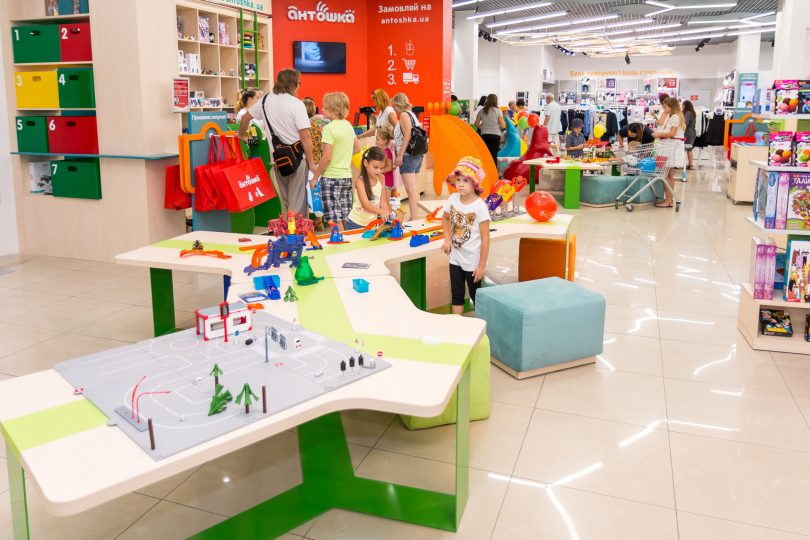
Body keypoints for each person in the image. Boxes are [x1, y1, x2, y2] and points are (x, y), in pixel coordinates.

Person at [240, 69, 315, 217]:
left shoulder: (265, 100)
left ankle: (287, 227)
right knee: (297, 202)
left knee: (286, 201)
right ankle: (297, 229)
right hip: (298, 158)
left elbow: (245, 118)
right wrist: (312, 163)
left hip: (277, 159)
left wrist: (241, 136)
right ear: (293, 83)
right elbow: (305, 136)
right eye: (299, 83)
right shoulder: (296, 104)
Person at [441, 156, 490, 315]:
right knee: (456, 295)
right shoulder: (453, 199)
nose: (460, 184)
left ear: (475, 183)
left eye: (466, 180)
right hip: (455, 257)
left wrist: (481, 265)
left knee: (477, 297)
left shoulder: (480, 206)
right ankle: (457, 326)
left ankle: (482, 325)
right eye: (458, 179)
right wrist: (447, 240)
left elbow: (485, 238)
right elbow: (445, 219)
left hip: (473, 261)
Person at [310, 92, 362, 230]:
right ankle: (346, 240)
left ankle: (339, 241)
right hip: (346, 177)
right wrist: (343, 155)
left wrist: (315, 177)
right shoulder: (348, 125)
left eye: (325, 107)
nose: (322, 109)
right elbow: (358, 148)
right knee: (344, 216)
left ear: (334, 109)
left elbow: (326, 157)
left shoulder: (329, 128)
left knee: (334, 219)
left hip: (331, 178)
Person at [392, 92, 423, 221]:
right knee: (414, 190)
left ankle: (414, 219)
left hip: (408, 156)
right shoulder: (412, 115)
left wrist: (400, 155)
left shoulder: (404, 115)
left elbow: (407, 136)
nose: (394, 109)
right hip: (416, 155)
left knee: (411, 191)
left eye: (394, 106)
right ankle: (415, 217)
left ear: (398, 104)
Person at [345, 146, 391, 231]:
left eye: (381, 168)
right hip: (355, 224)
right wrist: (382, 212)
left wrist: (388, 216)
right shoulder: (360, 181)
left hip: (372, 224)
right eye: (375, 167)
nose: (379, 171)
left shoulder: (381, 178)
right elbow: (366, 205)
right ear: (366, 163)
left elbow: (383, 202)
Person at [652, 97, 686, 208]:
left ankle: (669, 199)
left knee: (665, 173)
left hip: (670, 147)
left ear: (671, 107)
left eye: (665, 106)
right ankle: (669, 199)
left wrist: (659, 134)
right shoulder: (674, 116)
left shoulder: (675, 117)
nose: (663, 108)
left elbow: (672, 133)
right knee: (669, 174)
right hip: (670, 146)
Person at [474, 94, 505, 164]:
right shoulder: (498, 111)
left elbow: (476, 124)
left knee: (485, 155)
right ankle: (493, 170)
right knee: (493, 155)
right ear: (495, 101)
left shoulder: (482, 111)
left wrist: (483, 127)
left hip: (484, 135)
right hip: (495, 136)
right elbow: (503, 126)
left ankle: (486, 170)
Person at [375, 124, 396, 195]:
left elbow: (390, 167)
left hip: (387, 180)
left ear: (384, 141)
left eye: (378, 139)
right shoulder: (380, 151)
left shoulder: (387, 152)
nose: (376, 141)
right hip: (381, 179)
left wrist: (380, 171)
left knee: (387, 199)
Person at [682, 100, 697, 170]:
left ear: (685, 106)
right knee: (689, 149)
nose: (682, 106)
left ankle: (690, 164)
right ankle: (690, 164)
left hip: (688, 132)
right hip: (692, 132)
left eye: (682, 105)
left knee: (688, 148)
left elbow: (685, 123)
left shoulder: (688, 113)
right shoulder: (692, 112)